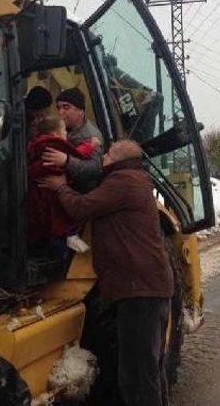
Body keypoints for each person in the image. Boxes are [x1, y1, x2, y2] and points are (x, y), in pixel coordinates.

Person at [40, 140, 173, 406]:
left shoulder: (122, 181)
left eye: (109, 153)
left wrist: (61, 187)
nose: (104, 156)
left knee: (135, 373)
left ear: (120, 159)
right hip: (148, 286)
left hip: (139, 290)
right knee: (149, 367)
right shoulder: (134, 179)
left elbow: (82, 207)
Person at [26, 116, 98, 253]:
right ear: (55, 134)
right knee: (62, 220)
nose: (66, 134)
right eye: (64, 131)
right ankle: (67, 245)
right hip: (52, 193)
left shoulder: (35, 146)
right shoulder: (55, 145)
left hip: (40, 194)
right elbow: (76, 154)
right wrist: (92, 145)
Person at [42, 87, 103, 192]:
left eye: (66, 107)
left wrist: (67, 161)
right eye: (58, 108)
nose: (60, 112)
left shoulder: (90, 136)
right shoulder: (63, 127)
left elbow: (95, 168)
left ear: (80, 111)